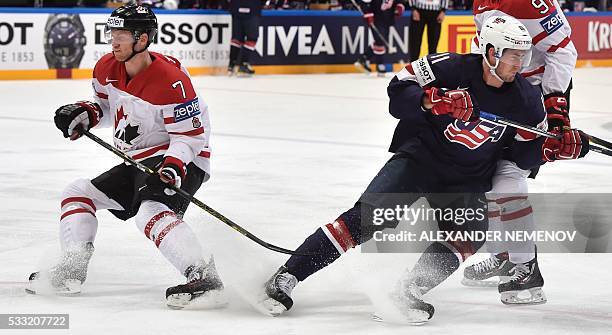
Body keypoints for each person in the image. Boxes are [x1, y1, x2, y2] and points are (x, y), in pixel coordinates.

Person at [260, 15, 588, 324]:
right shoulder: (450, 66)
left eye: (523, 55)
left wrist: (549, 151)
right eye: (512, 55)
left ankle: (408, 290)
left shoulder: (528, 100)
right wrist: (434, 100)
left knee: (469, 236)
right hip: (421, 160)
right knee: (366, 220)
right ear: (490, 51)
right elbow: (397, 91)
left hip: (466, 178)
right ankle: (288, 274)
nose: (519, 64)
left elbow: (522, 155)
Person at [26, 4, 224, 310]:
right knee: (78, 194)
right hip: (138, 161)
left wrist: (173, 166)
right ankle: (72, 269)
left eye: (122, 34)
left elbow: (190, 136)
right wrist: (87, 114)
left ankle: (203, 275)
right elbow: (108, 110)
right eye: (112, 33)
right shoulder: (106, 68)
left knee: (149, 210)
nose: (114, 40)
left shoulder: (171, 80)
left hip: (184, 158)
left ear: (142, 39)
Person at [462, 0, 578, 306]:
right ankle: (503, 257)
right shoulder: (479, 3)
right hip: (499, 93)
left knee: (508, 175)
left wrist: (555, 110)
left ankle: (526, 267)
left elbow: (563, 50)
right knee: (484, 176)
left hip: (533, 98)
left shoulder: (530, 3)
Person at [354, 0, 406, 76]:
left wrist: (399, 5)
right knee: (380, 40)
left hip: (388, 17)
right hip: (376, 16)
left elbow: (398, 2)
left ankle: (364, 59)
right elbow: (364, 2)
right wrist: (367, 12)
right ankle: (380, 65)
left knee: (381, 40)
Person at [228, 0, 262, 76]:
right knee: (252, 38)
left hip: (236, 7)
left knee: (237, 38)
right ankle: (243, 65)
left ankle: (231, 65)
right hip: (252, 8)